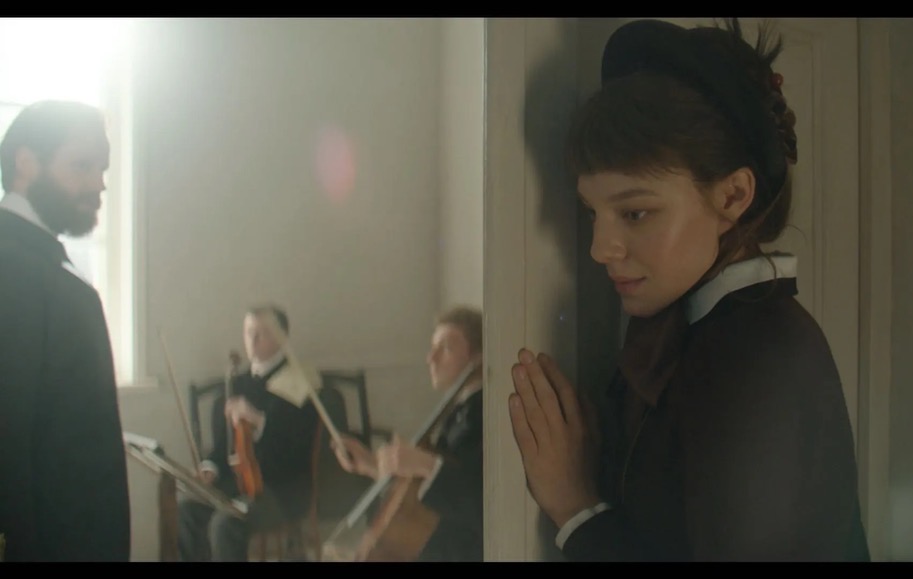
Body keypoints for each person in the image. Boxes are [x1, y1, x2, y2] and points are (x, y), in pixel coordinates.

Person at [507, 18, 871, 562]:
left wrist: (575, 507)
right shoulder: (708, 334)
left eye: (635, 212)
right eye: (592, 213)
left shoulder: (759, 354)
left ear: (733, 196)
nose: (600, 248)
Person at [0, 100, 131, 561]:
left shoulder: (42, 272)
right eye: (82, 165)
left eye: (102, 169)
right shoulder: (25, 277)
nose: (99, 183)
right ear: (26, 163)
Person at [332, 305, 484, 561]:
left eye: (446, 348)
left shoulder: (482, 412)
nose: (431, 358)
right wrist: (372, 465)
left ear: (477, 358)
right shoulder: (461, 409)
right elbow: (426, 488)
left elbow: (479, 499)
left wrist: (425, 463)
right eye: (432, 347)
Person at [177, 304, 322, 561]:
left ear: (282, 337)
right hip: (236, 484)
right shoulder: (236, 384)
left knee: (225, 524)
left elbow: (296, 447)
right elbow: (224, 445)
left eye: (261, 333)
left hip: (282, 489)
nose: (252, 340)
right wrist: (211, 467)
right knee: (187, 509)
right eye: (248, 332)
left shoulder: (301, 381)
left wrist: (258, 419)